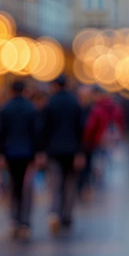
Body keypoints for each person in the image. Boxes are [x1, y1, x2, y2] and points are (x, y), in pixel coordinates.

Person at [0, 80, 41, 240]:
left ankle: (14, 218)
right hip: (27, 153)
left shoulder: (5, 108)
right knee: (26, 187)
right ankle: (25, 221)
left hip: (10, 152)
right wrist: (38, 152)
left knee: (13, 186)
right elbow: (36, 132)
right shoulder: (31, 108)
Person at [41, 74, 84, 232]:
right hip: (72, 150)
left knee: (55, 184)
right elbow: (80, 128)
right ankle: (67, 215)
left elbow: (44, 128)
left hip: (53, 150)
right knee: (70, 184)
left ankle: (55, 213)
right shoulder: (75, 103)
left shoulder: (50, 103)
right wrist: (80, 152)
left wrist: (43, 150)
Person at [81, 86, 124, 194]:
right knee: (105, 161)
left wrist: (86, 139)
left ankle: (96, 184)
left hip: (97, 141)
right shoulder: (115, 107)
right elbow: (120, 121)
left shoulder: (97, 109)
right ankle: (102, 183)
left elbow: (90, 127)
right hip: (111, 140)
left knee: (96, 162)